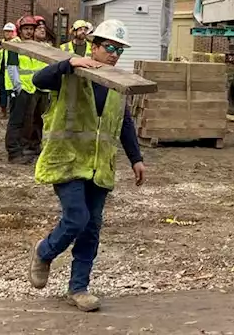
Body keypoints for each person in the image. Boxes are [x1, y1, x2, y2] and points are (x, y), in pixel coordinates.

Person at [27, 19, 146, 312]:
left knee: (91, 228)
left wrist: (136, 158)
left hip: (98, 165)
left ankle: (78, 288)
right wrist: (68, 63)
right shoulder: (72, 72)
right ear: (94, 47)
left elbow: (124, 122)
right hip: (67, 160)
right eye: (109, 47)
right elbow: (38, 81)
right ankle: (44, 251)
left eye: (119, 49)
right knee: (76, 217)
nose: (114, 54)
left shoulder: (117, 82)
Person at [5, 16, 44, 163]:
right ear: (20, 30)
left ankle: (24, 149)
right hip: (20, 89)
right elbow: (12, 68)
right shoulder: (15, 45)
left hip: (32, 89)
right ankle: (14, 152)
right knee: (16, 122)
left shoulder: (33, 45)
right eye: (26, 29)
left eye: (31, 29)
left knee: (29, 122)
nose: (29, 32)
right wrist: (18, 87)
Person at [0, 22, 17, 117]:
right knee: (2, 91)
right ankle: (3, 110)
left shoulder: (16, 42)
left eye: (10, 32)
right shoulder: (0, 42)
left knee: (12, 92)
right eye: (6, 32)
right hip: (0, 70)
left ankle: (12, 110)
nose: (8, 34)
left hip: (11, 71)